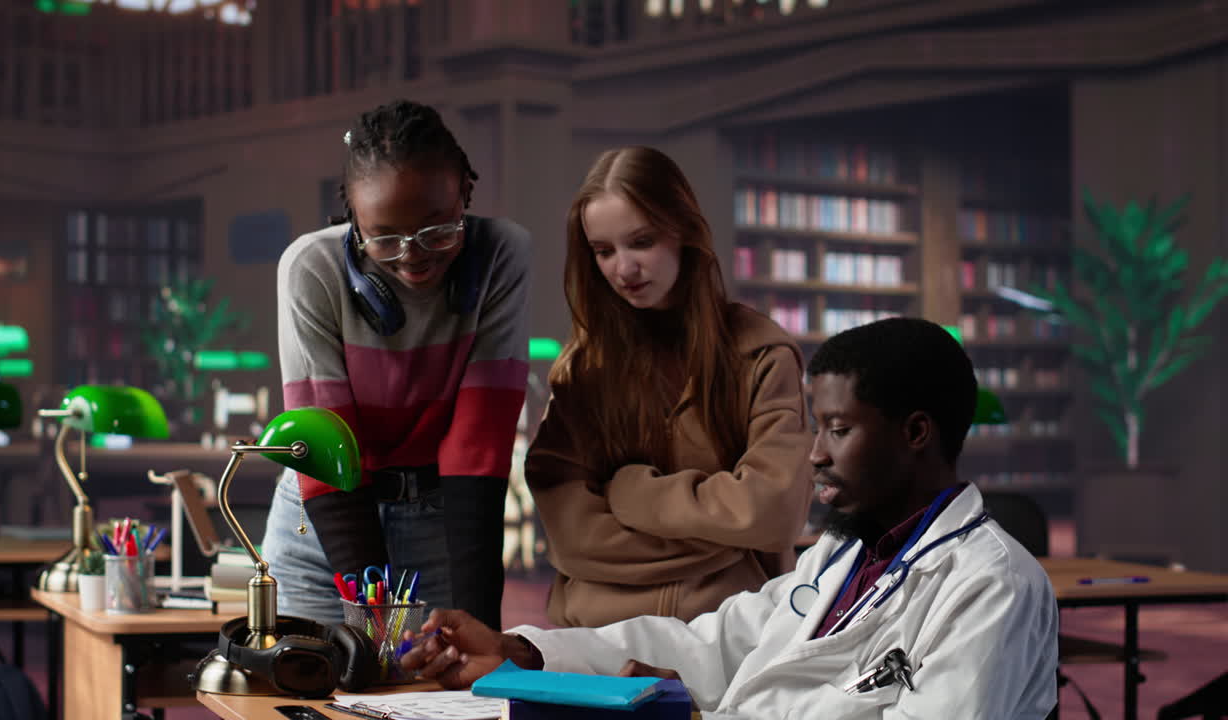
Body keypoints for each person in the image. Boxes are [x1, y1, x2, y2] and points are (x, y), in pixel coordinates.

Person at [402, 317, 1059, 719]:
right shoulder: (842, 556)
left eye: (838, 429)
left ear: (917, 432)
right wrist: (520, 651)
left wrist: (690, 715)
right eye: (816, 428)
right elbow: (709, 646)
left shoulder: (990, 586)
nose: (817, 454)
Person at [263, 99, 530, 629]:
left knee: (447, 693)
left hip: (438, 521)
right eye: (383, 237)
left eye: (437, 231)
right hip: (322, 522)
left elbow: (478, 443)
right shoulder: (310, 268)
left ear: (464, 197)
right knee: (317, 691)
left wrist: (481, 630)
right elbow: (327, 444)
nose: (412, 256)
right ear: (353, 221)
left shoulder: (502, 253)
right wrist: (373, 616)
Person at [524, 146, 813, 627]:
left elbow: (774, 511)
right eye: (604, 251)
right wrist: (722, 539)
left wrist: (633, 494)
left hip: (725, 636)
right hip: (596, 640)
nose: (624, 269)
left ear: (683, 231)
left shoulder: (760, 354)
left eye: (641, 241)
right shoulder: (583, 368)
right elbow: (569, 532)